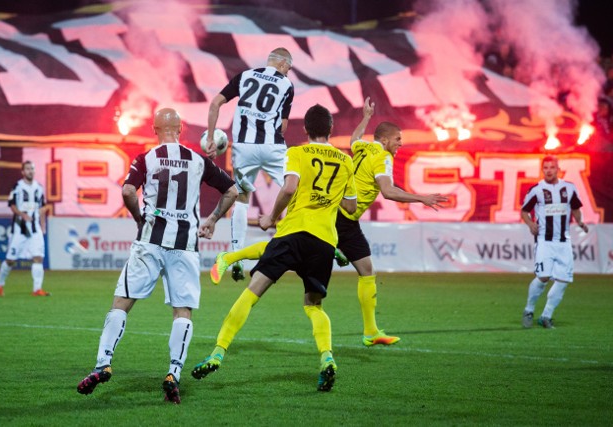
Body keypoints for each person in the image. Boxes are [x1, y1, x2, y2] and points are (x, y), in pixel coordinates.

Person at [209, 97, 448, 346]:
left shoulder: (366, 147)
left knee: (363, 269)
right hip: (339, 213)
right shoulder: (383, 158)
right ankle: (229, 258)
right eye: (398, 139)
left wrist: (365, 118)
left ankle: (370, 331)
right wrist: (422, 197)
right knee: (297, 253)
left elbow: (355, 140)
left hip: (344, 217)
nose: (401, 143)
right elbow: (388, 191)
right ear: (385, 140)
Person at [76, 108, 238, 404]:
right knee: (182, 311)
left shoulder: (146, 158)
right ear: (180, 129)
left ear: (154, 129)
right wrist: (213, 219)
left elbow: (127, 191)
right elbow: (231, 191)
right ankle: (173, 374)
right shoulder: (197, 160)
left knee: (121, 304)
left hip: (150, 240)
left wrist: (139, 217)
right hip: (184, 244)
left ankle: (103, 363)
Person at [191, 104, 357, 392]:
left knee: (251, 293)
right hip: (324, 240)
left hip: (294, 232)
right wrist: (328, 199)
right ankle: (327, 357)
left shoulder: (298, 153)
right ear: (331, 130)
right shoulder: (346, 162)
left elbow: (290, 187)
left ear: (305, 130)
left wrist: (271, 217)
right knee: (314, 305)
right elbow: (351, 206)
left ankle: (218, 352)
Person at [203, 47, 294, 281]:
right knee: (297, 191)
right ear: (283, 65)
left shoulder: (244, 76)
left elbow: (215, 104)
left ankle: (235, 256)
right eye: (289, 68)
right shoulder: (286, 84)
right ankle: (306, 244)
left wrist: (211, 138)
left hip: (243, 147)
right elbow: (282, 126)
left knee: (241, 198)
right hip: (272, 146)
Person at [520, 155, 589, 329]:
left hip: (563, 241)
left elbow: (575, 208)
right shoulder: (536, 190)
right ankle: (529, 310)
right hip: (544, 240)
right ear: (542, 170)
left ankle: (546, 315)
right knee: (543, 277)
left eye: (552, 167)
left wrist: (580, 221)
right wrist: (530, 224)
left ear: (558, 168)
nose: (549, 170)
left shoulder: (570, 188)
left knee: (564, 280)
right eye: (546, 168)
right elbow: (524, 211)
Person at [0, 161, 49, 297]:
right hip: (19, 228)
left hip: (35, 228)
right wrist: (22, 214)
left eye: (32, 168)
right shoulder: (18, 186)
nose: (30, 171)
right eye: (28, 169)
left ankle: (37, 289)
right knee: (10, 260)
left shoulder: (39, 187)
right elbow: (12, 205)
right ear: (23, 172)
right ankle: (0, 284)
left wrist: (43, 225)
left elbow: (42, 207)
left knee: (38, 257)